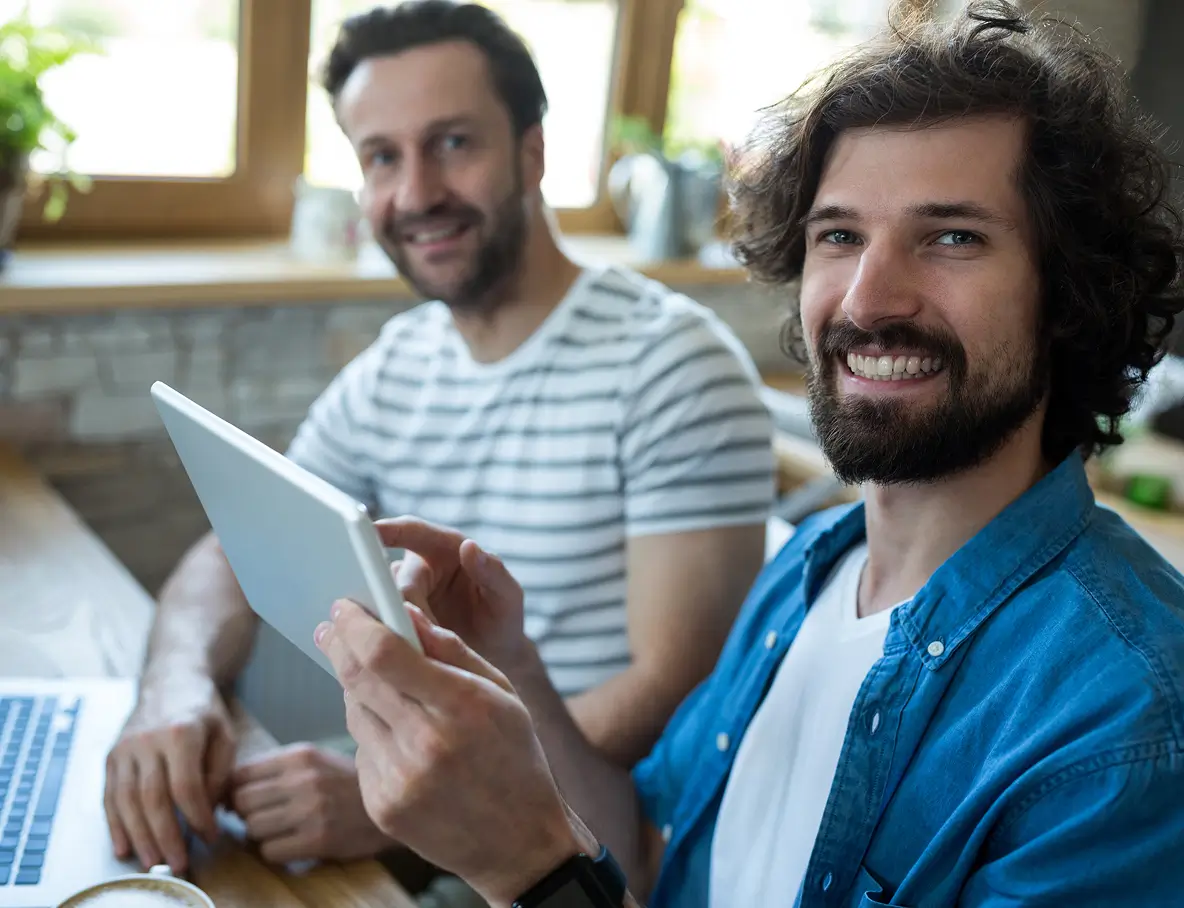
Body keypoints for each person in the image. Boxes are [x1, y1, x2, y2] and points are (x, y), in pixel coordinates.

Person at [314, 3, 1184, 906]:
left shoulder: (1125, 721)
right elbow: (645, 855)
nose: (867, 298)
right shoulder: (808, 571)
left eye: (952, 237)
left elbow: (568, 870)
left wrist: (525, 871)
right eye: (839, 236)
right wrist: (515, 673)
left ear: (1069, 291)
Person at [102, 0, 776, 876]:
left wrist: (404, 798)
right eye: (382, 157)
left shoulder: (672, 365)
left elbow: (673, 693)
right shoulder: (400, 363)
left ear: (532, 152)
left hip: (585, 854)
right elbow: (234, 547)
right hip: (435, 810)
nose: (415, 193)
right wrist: (173, 686)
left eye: (453, 142)